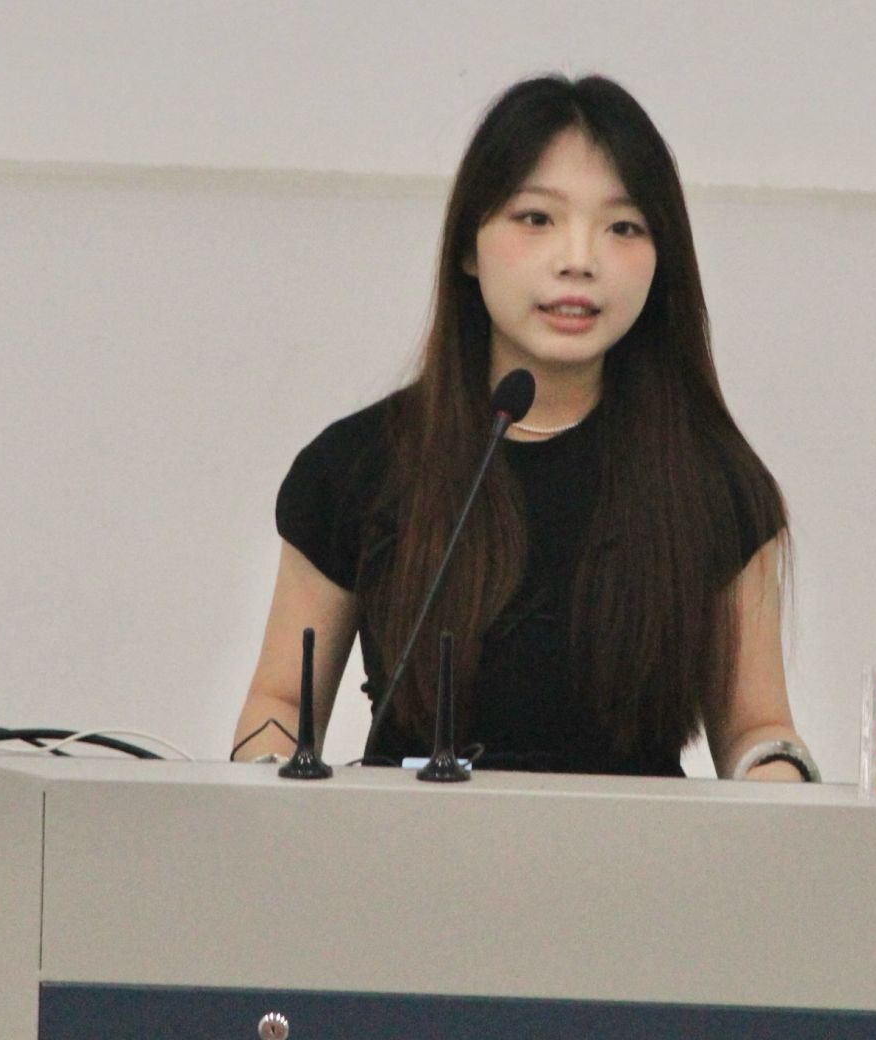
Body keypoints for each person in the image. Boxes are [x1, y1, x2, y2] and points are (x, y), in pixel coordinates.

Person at [231, 74, 815, 781]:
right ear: (468, 248)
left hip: (639, 851)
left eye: (623, 227)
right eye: (537, 218)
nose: (579, 260)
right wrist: (269, 777)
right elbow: (282, 703)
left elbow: (756, 727)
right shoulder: (354, 468)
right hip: (401, 847)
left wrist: (780, 774)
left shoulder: (714, 481)